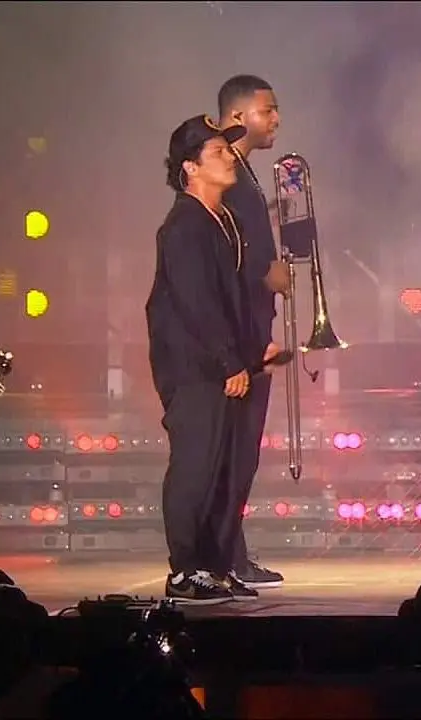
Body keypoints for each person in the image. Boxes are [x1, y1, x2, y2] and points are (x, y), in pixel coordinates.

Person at [147, 114, 260, 605]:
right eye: (217, 151)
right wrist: (226, 359)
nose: (230, 157)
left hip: (220, 364)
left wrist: (251, 351)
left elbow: (229, 297)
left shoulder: (222, 220)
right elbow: (195, 301)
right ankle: (184, 570)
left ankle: (215, 566)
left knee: (222, 470)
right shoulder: (184, 225)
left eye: (229, 149)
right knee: (195, 465)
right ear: (189, 167)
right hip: (194, 368)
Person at [214, 74, 287, 592]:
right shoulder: (228, 175)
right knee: (234, 452)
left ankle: (231, 553)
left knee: (244, 453)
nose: (276, 119)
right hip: (240, 333)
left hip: (253, 327)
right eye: (268, 110)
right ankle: (220, 556)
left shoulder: (245, 173)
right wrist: (266, 275)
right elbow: (228, 259)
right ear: (238, 116)